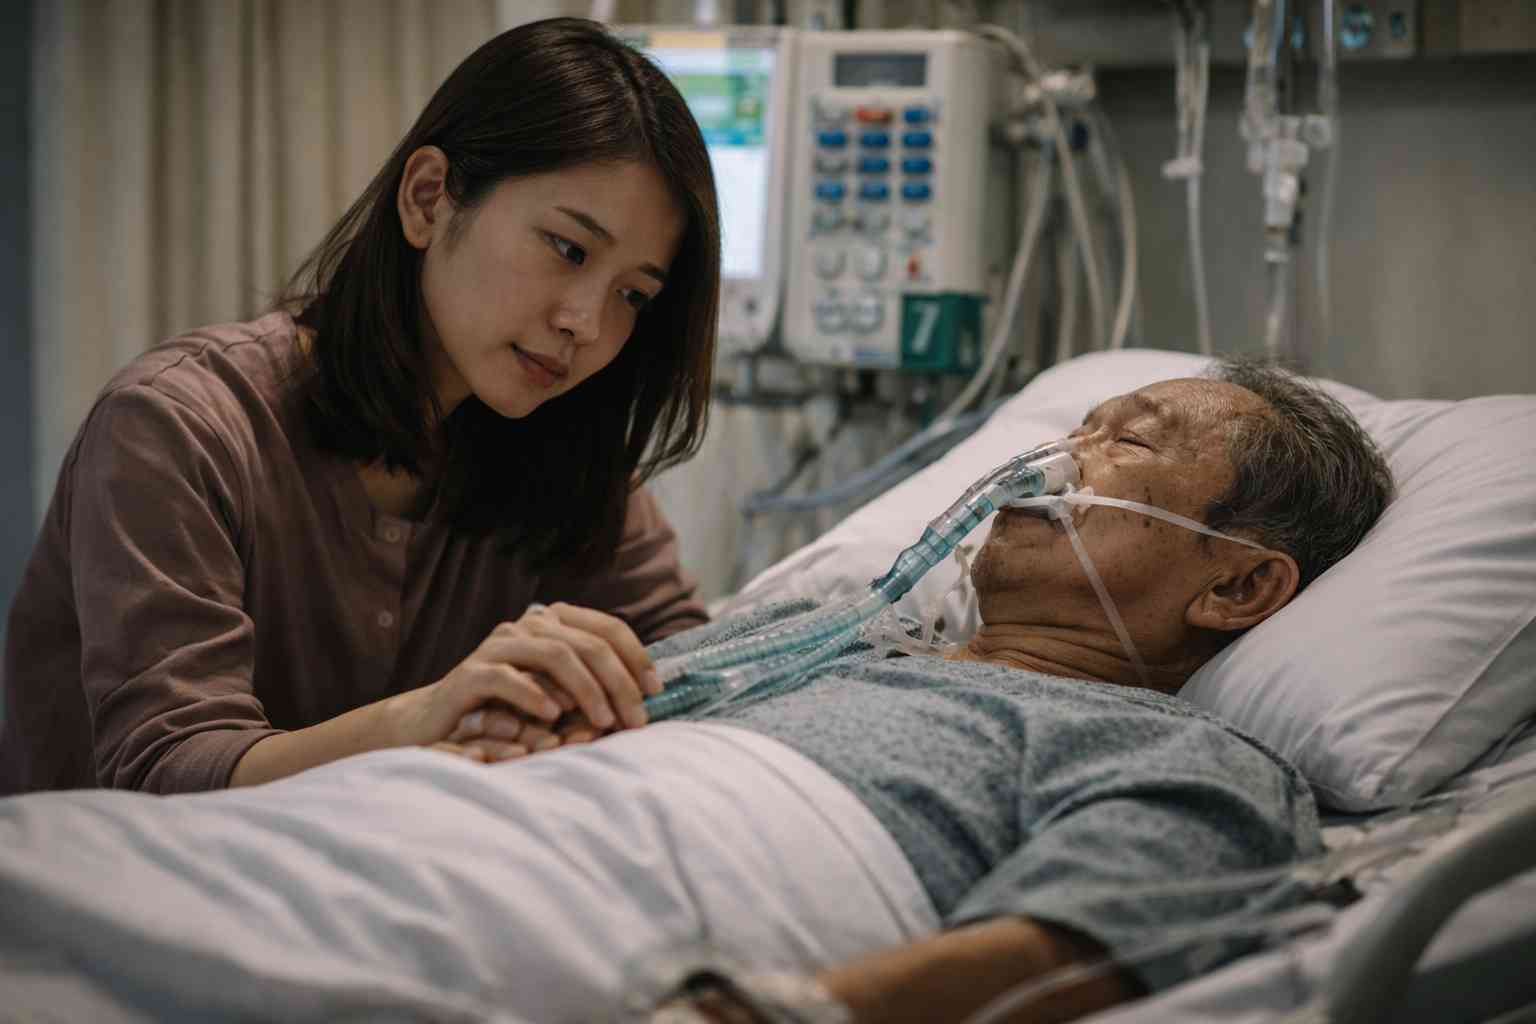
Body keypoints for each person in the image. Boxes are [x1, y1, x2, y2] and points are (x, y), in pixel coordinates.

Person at [0, 363, 1395, 1024]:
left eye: (1126, 444)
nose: (1059, 458)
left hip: (611, 906)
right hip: (396, 826)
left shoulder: (1181, 753)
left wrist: (770, 1016)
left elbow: (1076, 944)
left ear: (1238, 587)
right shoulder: (808, 637)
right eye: (1077, 423)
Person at [0, 17, 721, 796]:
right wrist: (423, 720)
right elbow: (165, 772)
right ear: (427, 199)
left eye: (632, 295)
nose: (587, 323)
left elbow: (694, 665)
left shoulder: (568, 457)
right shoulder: (176, 429)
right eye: (568, 249)